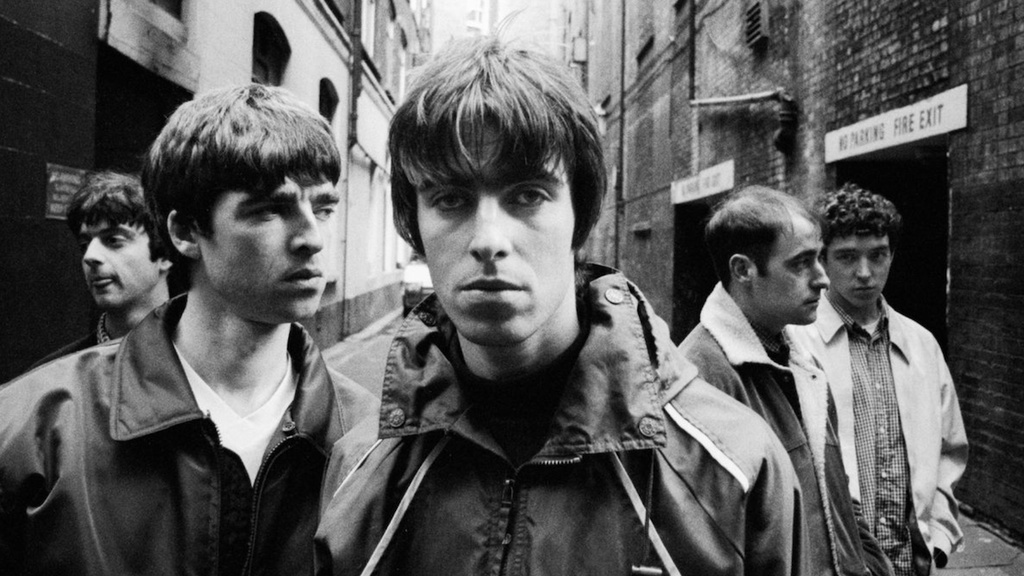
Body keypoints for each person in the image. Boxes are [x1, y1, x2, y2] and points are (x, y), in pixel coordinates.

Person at [315, 36, 804, 576]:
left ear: (581, 214)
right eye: (449, 199)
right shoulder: (360, 469)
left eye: (528, 195)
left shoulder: (733, 466)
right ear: (416, 223)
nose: (488, 240)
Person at [0, 84, 377, 575]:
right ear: (184, 232)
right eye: (270, 209)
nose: (312, 237)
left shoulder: (372, 438)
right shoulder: (35, 430)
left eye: (324, 208)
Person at [679, 185, 892, 576]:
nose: (823, 279)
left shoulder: (800, 359)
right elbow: (704, 547)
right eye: (801, 263)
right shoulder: (700, 380)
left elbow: (836, 494)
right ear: (743, 270)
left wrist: (872, 566)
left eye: (819, 259)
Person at [790, 183, 968, 575]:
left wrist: (938, 536)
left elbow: (949, 450)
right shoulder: (795, 344)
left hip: (910, 563)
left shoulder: (921, 344)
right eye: (847, 257)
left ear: (892, 255)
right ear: (822, 260)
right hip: (835, 563)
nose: (865, 272)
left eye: (878, 255)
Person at [30, 171, 171, 367]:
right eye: (84, 245)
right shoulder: (54, 375)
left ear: (164, 254)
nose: (90, 256)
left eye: (113, 240)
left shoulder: (206, 363)